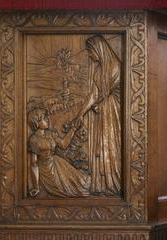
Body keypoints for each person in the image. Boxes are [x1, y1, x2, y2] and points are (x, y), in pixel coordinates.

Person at [77, 35, 121, 195]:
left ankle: (114, 183)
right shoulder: (98, 70)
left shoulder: (116, 67)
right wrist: (80, 114)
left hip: (112, 118)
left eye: (90, 52)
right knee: (100, 149)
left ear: (98, 50)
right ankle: (101, 185)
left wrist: (103, 105)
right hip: (101, 116)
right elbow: (94, 94)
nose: (89, 55)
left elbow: (120, 96)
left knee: (111, 148)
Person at [28, 107, 90, 197]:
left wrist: (74, 128)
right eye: (43, 118)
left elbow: (63, 144)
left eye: (46, 117)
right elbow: (34, 164)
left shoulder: (51, 133)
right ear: (36, 123)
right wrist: (36, 186)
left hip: (57, 163)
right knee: (67, 189)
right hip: (45, 171)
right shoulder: (34, 140)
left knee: (81, 182)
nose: (47, 119)